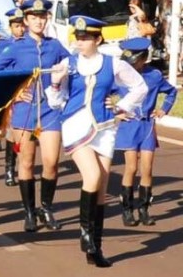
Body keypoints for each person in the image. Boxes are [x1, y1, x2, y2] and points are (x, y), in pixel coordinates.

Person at [47, 16, 147, 267]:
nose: (79, 42)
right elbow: (56, 103)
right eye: (77, 38)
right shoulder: (68, 64)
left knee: (101, 185)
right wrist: (56, 83)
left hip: (105, 127)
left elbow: (139, 87)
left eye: (84, 38)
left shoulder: (113, 64)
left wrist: (120, 105)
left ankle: (96, 248)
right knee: (91, 176)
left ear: (97, 39)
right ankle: (85, 236)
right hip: (75, 125)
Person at [0, 0, 70, 232]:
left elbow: (72, 64)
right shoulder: (15, 47)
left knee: (51, 162)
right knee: (26, 162)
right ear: (25, 20)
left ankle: (46, 208)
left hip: (50, 111)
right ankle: (29, 212)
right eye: (33, 18)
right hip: (24, 113)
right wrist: (13, 94)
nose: (38, 22)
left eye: (42, 17)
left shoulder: (55, 45)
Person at [114, 37, 177, 227]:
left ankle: (144, 209)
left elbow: (172, 91)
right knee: (131, 168)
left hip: (147, 125)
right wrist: (115, 112)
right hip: (129, 125)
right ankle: (127, 209)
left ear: (144, 58)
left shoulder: (154, 76)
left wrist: (164, 109)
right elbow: (103, 94)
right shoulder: (120, 75)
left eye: (135, 61)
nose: (132, 66)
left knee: (147, 169)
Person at [0, 8, 27, 187]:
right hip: (10, 93)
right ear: (10, 26)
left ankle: (22, 166)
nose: (20, 29)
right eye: (16, 26)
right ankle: (9, 169)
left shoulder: (29, 44)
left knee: (25, 134)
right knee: (12, 133)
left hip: (27, 93)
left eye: (22, 25)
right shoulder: (3, 45)